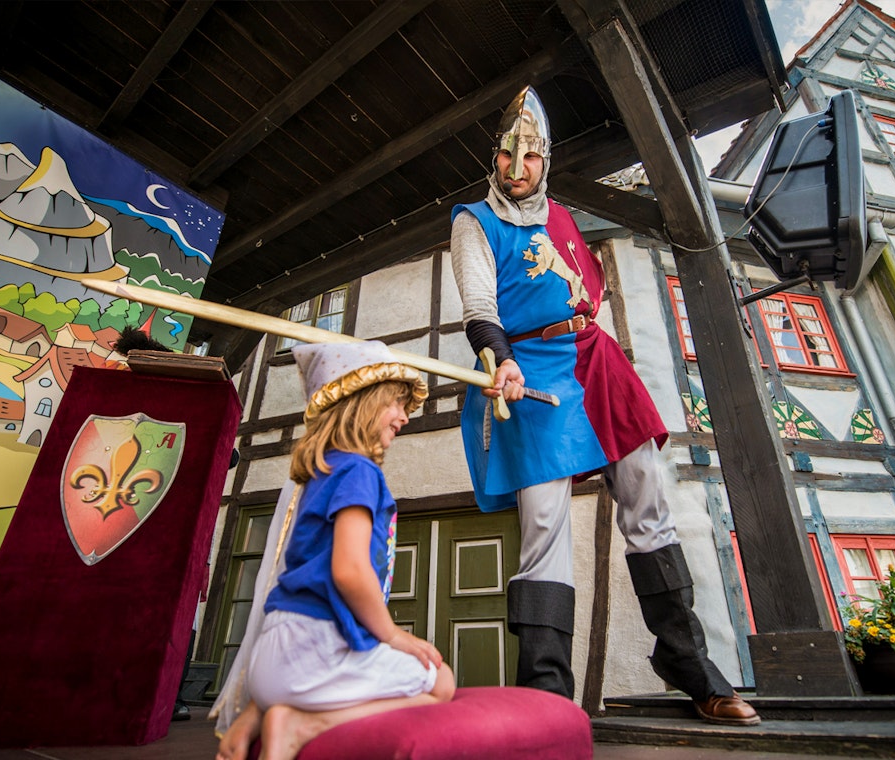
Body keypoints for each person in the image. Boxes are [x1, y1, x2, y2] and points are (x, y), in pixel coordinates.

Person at [448, 86, 759, 726]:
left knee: (648, 502)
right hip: (529, 368)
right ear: (495, 158)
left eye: (531, 156)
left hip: (596, 359)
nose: (517, 168)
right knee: (543, 526)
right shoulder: (472, 221)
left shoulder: (561, 215)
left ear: (546, 160)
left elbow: (583, 290)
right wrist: (498, 359)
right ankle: (545, 696)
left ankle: (688, 666)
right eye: (508, 154)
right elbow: (480, 308)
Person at [216, 341, 455, 760]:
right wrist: (393, 635)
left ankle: (259, 712)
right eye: (396, 404)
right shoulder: (360, 471)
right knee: (441, 680)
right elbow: (348, 569)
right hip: (316, 651)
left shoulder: (321, 473)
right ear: (363, 402)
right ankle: (304, 724)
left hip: (271, 661)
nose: (404, 417)